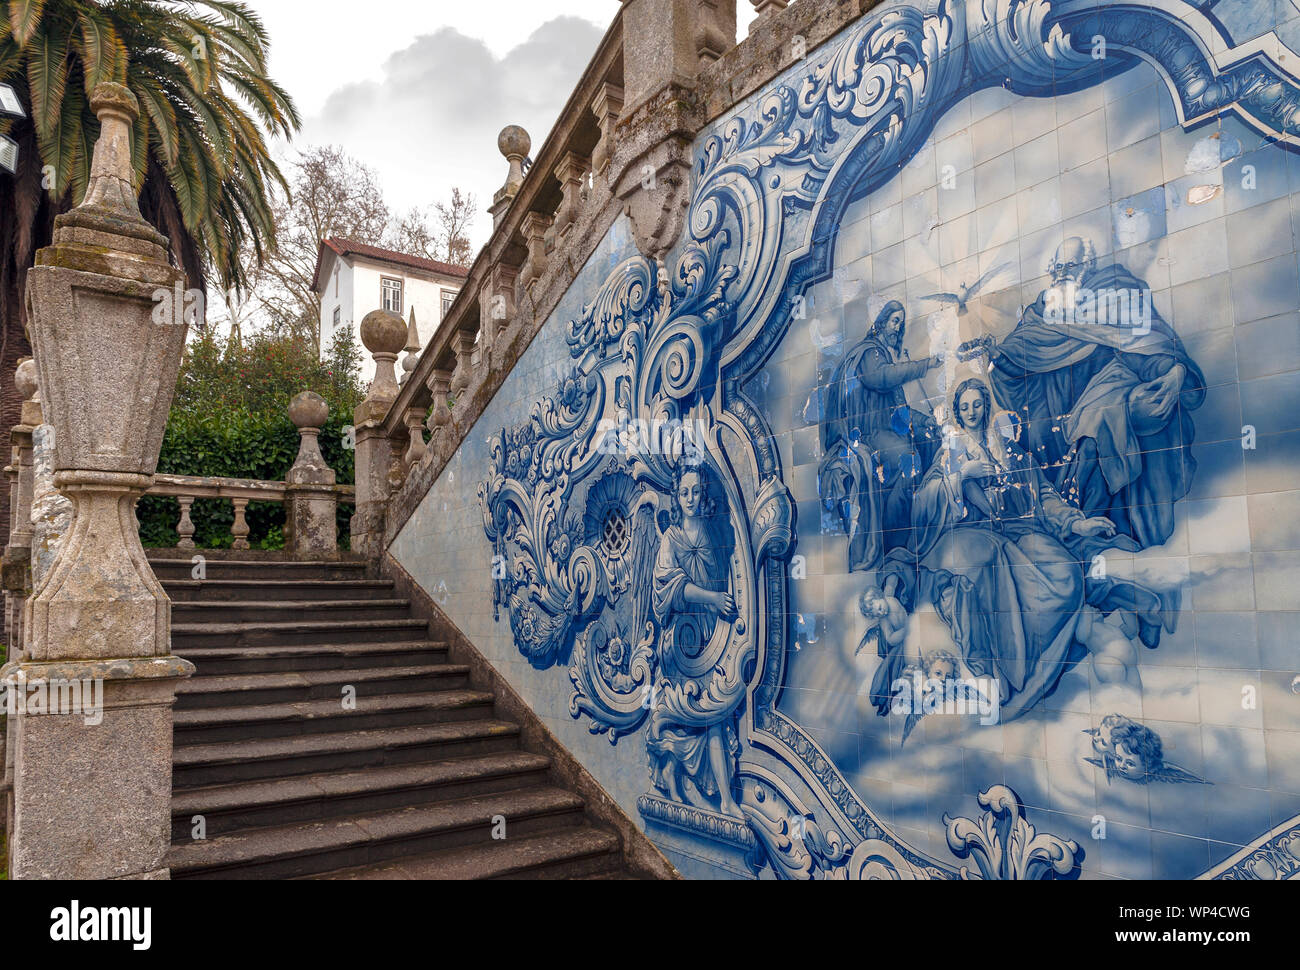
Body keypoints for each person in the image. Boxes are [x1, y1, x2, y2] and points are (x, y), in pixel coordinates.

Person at [989, 237, 1205, 549]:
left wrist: (1175, 371)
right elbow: (1020, 362)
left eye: (1070, 266)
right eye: (1057, 268)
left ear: (1088, 266)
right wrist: (997, 356)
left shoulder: (1114, 294)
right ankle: (1078, 527)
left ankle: (1095, 527)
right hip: (1062, 413)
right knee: (1079, 434)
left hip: (1112, 393)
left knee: (1098, 429)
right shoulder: (1043, 311)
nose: (1062, 274)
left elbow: (1142, 345)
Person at [819, 300, 945, 570]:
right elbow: (882, 378)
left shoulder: (883, 356)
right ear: (881, 322)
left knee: (929, 438)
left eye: (901, 322)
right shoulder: (870, 353)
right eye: (894, 321)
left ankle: (919, 529)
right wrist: (924, 365)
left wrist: (926, 420)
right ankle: (895, 542)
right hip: (867, 435)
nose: (898, 328)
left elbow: (898, 412)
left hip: (885, 430)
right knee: (908, 460)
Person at [647, 466, 741, 816]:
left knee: (712, 713)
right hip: (683, 642)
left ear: (704, 495)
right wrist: (714, 600)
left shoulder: (716, 533)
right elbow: (670, 588)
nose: (689, 499)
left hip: (714, 636)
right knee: (704, 714)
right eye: (684, 493)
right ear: (677, 495)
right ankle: (721, 797)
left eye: (696, 492)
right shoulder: (670, 538)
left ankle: (712, 792)